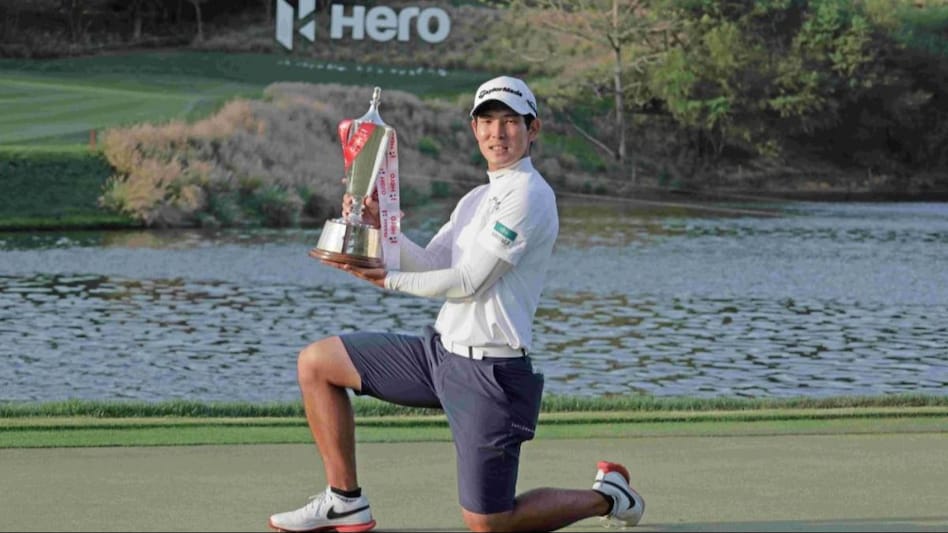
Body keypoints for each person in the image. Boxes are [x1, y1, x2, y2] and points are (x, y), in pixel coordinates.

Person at [268, 76, 644, 533]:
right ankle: (344, 501)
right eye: (487, 121)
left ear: (533, 129)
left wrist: (387, 279)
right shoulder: (477, 198)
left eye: (510, 122)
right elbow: (432, 262)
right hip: (439, 355)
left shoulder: (530, 196)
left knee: (489, 522)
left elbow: (466, 282)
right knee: (317, 363)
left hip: (491, 372)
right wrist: (382, 227)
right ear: (474, 129)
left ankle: (609, 497)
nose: (497, 132)